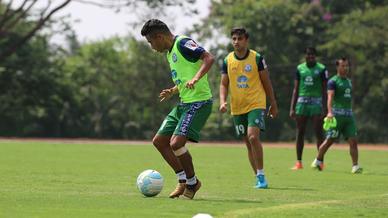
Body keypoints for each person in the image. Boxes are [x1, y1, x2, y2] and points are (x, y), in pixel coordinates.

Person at [141, 19, 214, 199]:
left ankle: (192, 183)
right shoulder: (169, 53)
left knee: (176, 143)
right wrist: (173, 90)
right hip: (184, 103)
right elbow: (184, 76)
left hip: (199, 103)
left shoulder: (182, 43)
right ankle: (183, 180)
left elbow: (209, 58)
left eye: (151, 42)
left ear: (159, 36)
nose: (151, 47)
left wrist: (196, 78)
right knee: (159, 141)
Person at [219, 27, 278, 189]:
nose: (236, 42)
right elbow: (224, 84)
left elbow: (267, 82)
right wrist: (223, 101)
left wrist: (273, 103)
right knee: (247, 142)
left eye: (239, 39)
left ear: (246, 40)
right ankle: (258, 177)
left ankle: (261, 175)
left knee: (253, 137)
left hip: (256, 104)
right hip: (237, 107)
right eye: (234, 39)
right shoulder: (227, 60)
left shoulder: (257, 58)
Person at [311, 57, 362, 174]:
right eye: (343, 66)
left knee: (353, 141)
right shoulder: (333, 81)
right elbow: (330, 97)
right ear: (338, 67)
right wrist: (329, 112)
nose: (345, 68)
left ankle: (355, 166)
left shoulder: (349, 82)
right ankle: (318, 160)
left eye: (347, 65)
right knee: (330, 140)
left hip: (349, 116)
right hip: (337, 116)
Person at [289, 47, 328, 170]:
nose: (310, 57)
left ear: (315, 57)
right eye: (308, 55)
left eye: (313, 56)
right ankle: (299, 162)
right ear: (305, 56)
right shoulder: (300, 68)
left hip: (316, 103)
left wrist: (326, 107)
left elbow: (324, 90)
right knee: (300, 132)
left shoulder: (321, 69)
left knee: (318, 133)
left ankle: (320, 161)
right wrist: (292, 107)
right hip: (302, 103)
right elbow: (295, 89)